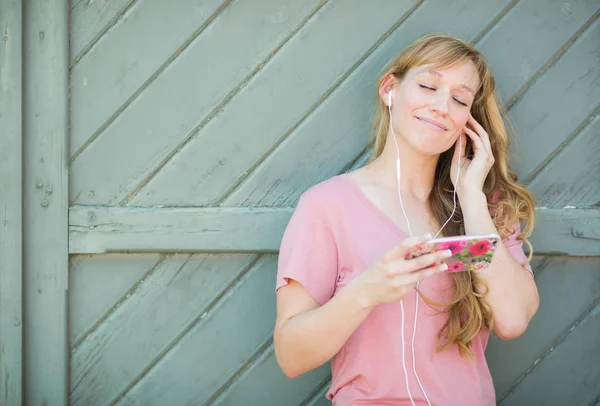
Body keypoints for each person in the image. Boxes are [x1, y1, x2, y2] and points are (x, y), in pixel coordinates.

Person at [273, 33, 539, 406]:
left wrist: (472, 198)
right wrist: (367, 290)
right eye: (429, 85)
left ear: (468, 120)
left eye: (460, 99)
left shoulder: (486, 209)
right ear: (389, 90)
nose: (442, 106)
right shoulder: (326, 207)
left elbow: (512, 320)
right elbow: (291, 356)